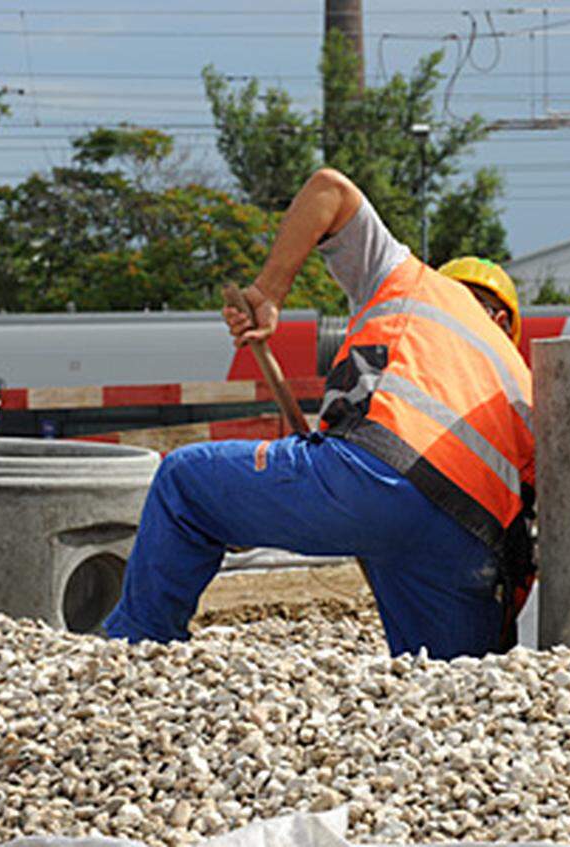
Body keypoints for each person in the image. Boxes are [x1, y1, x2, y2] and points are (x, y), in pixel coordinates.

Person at [103, 168, 535, 659]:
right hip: (467, 541)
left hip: (375, 480)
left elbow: (328, 189)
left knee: (185, 484)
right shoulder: (521, 380)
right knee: (455, 678)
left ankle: (134, 652)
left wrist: (267, 291)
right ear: (506, 323)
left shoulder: (415, 283)